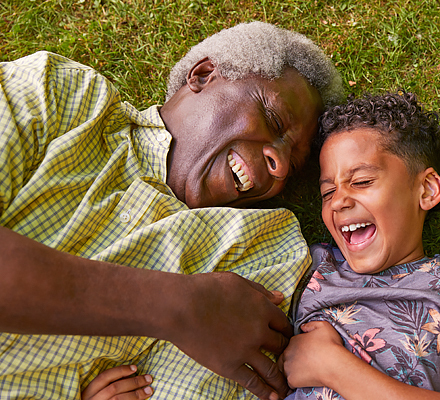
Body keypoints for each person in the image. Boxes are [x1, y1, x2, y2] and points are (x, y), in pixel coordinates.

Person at [0, 22, 343, 400]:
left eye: (292, 165)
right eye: (273, 119)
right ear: (203, 75)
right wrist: (177, 306)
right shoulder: (60, 96)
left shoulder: (261, 251)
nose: (278, 164)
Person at [279, 91, 440, 399]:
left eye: (362, 181)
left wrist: (332, 366)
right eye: (327, 193)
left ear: (427, 189)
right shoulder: (309, 266)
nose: (338, 201)